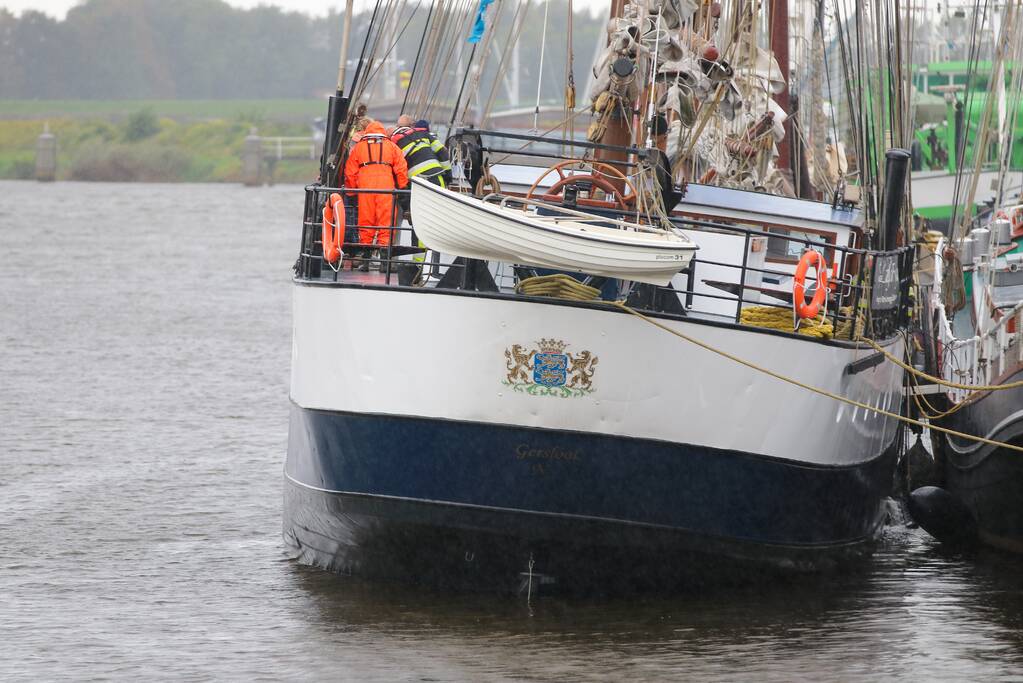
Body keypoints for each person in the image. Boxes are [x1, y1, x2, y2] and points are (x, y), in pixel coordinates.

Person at [343, 120, 409, 270]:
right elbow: (401, 168)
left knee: (366, 224)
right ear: (382, 132)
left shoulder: (359, 147)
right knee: (386, 224)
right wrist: (402, 187)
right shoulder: (392, 146)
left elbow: (350, 172)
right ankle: (384, 264)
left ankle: (365, 262)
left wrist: (352, 192)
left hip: (365, 190)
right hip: (386, 189)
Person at [390, 115, 451, 188]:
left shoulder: (394, 144)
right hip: (435, 175)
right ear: (412, 125)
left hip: (416, 182)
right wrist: (448, 174)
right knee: (440, 197)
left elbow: (398, 169)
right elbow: (442, 151)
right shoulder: (424, 134)